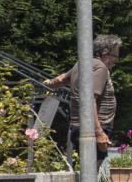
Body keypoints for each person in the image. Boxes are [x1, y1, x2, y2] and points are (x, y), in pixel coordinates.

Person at [43, 34, 122, 166]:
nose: (116, 61)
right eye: (115, 56)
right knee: (92, 170)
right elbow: (90, 99)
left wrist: (48, 83)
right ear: (105, 53)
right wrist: (99, 132)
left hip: (78, 125)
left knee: (87, 168)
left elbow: (62, 79)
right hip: (95, 127)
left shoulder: (81, 64)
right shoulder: (101, 68)